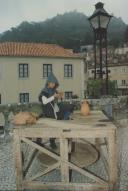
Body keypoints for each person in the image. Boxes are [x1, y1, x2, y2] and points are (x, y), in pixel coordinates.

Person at [38, 72, 74, 149]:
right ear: (48, 83)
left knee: (69, 108)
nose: (54, 85)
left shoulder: (54, 90)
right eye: (52, 83)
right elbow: (44, 102)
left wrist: (59, 96)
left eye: (55, 83)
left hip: (54, 109)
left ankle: (63, 126)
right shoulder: (44, 91)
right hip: (48, 110)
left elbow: (57, 100)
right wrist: (53, 96)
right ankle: (51, 141)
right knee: (52, 125)